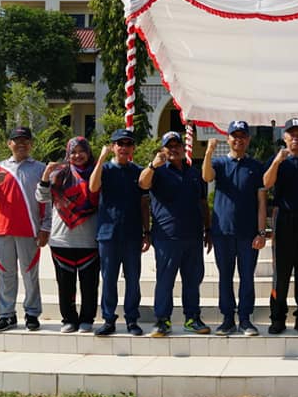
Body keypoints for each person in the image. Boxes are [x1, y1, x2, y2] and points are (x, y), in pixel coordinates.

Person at [140, 131, 212, 338]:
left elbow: (202, 202)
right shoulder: (158, 172)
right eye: (169, 146)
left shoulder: (194, 172)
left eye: (177, 145)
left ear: (183, 148)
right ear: (163, 149)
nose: (174, 149)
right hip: (167, 237)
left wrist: (208, 229)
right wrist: (153, 165)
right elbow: (142, 184)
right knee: (165, 280)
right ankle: (162, 320)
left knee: (192, 280)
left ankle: (192, 319)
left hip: (193, 235)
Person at [0, 126, 51, 332]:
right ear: (9, 144)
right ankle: (7, 315)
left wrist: (46, 227)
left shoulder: (40, 168)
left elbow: (47, 200)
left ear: (31, 144)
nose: (21, 144)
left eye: (25, 140)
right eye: (16, 140)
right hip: (3, 230)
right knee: (6, 274)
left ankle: (31, 313)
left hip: (29, 229)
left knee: (30, 274)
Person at [202, 121, 267, 336]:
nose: (238, 140)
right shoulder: (219, 163)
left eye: (242, 136)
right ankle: (228, 318)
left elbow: (261, 201)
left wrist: (261, 232)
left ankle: (246, 319)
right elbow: (207, 177)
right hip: (223, 232)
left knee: (247, 276)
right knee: (225, 277)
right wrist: (209, 152)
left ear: (248, 139)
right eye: (234, 136)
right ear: (228, 138)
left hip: (248, 233)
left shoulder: (256, 166)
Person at [35, 137, 100, 333]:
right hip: (61, 239)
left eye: (82, 151)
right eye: (73, 152)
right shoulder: (59, 174)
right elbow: (41, 196)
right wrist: (46, 173)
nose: (77, 155)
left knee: (89, 285)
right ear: (67, 154)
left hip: (89, 239)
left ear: (88, 152)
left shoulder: (97, 174)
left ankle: (87, 318)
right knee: (65, 285)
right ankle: (69, 319)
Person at [88, 128, 148, 337]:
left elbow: (143, 203)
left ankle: (132, 319)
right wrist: (102, 157)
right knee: (109, 279)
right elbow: (93, 188)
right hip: (108, 234)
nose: (124, 148)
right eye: (120, 144)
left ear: (133, 148)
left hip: (132, 234)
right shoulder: (104, 169)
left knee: (133, 279)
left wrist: (146, 231)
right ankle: (108, 319)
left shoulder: (138, 171)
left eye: (128, 144)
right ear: (113, 147)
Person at [263, 118, 298, 335]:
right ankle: (278, 317)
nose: (295, 137)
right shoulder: (277, 160)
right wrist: (277, 161)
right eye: (291, 134)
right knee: (281, 273)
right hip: (284, 220)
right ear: (284, 137)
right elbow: (266, 183)